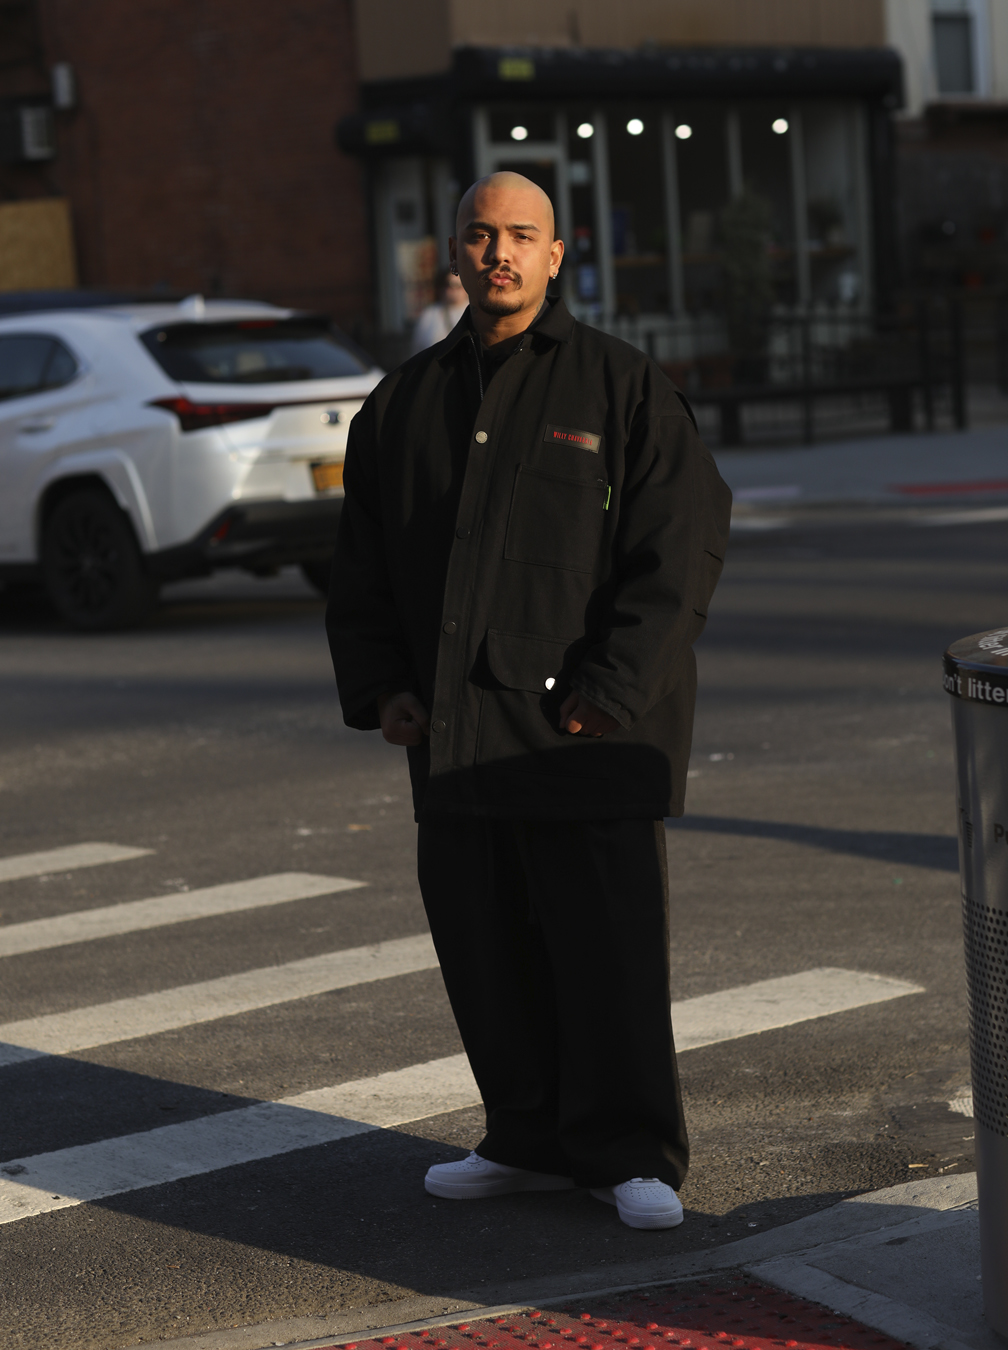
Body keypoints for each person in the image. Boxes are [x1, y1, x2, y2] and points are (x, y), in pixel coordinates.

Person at [326, 171, 731, 1230]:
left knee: (608, 952)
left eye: (521, 235)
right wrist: (381, 690)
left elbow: (677, 554)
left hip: (583, 736)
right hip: (455, 741)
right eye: (479, 233)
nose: (498, 251)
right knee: (486, 949)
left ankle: (630, 1151)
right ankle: (530, 1137)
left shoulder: (620, 388)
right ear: (453, 254)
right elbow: (360, 564)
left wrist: (611, 692)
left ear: (559, 255)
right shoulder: (404, 404)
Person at [410, 265, 468, 354]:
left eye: (458, 285)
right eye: (449, 285)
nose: (454, 290)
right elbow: (418, 348)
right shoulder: (430, 314)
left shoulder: (476, 311)